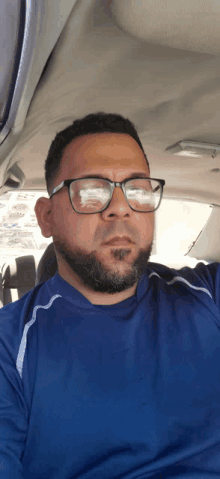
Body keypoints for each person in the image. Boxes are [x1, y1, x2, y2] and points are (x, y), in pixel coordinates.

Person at [0, 112, 220, 479]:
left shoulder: (205, 296)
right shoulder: (10, 346)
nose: (121, 206)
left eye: (138, 189)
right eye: (90, 191)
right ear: (47, 216)